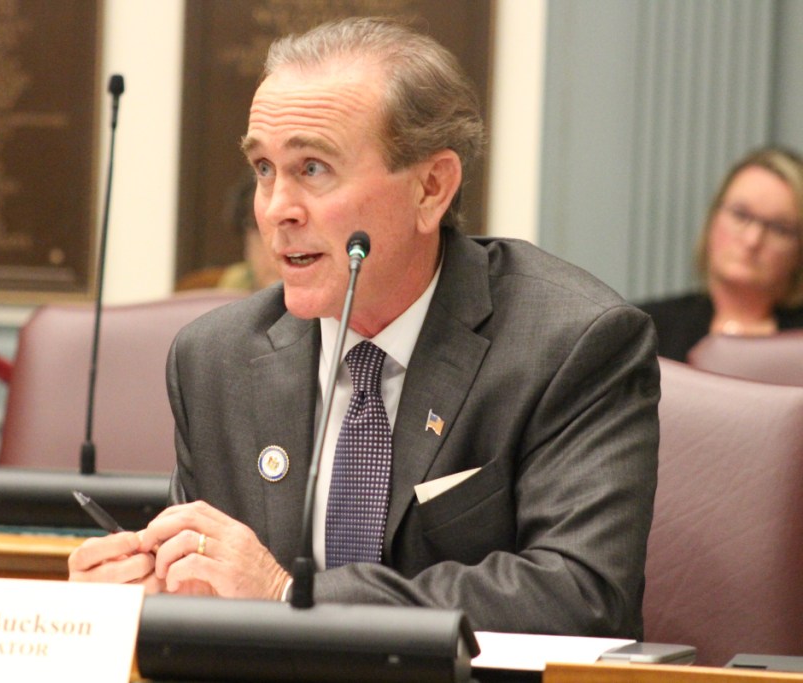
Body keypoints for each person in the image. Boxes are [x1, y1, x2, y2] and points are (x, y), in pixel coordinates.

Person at [70, 16, 660, 639]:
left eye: (314, 169)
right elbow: (219, 593)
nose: (276, 211)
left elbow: (582, 597)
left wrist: (291, 596)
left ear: (431, 188)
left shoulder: (571, 342)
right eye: (265, 169)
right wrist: (152, 593)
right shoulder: (216, 359)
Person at [638, 147, 803, 361]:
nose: (752, 240)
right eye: (741, 215)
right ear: (712, 219)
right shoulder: (646, 331)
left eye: (779, 228)